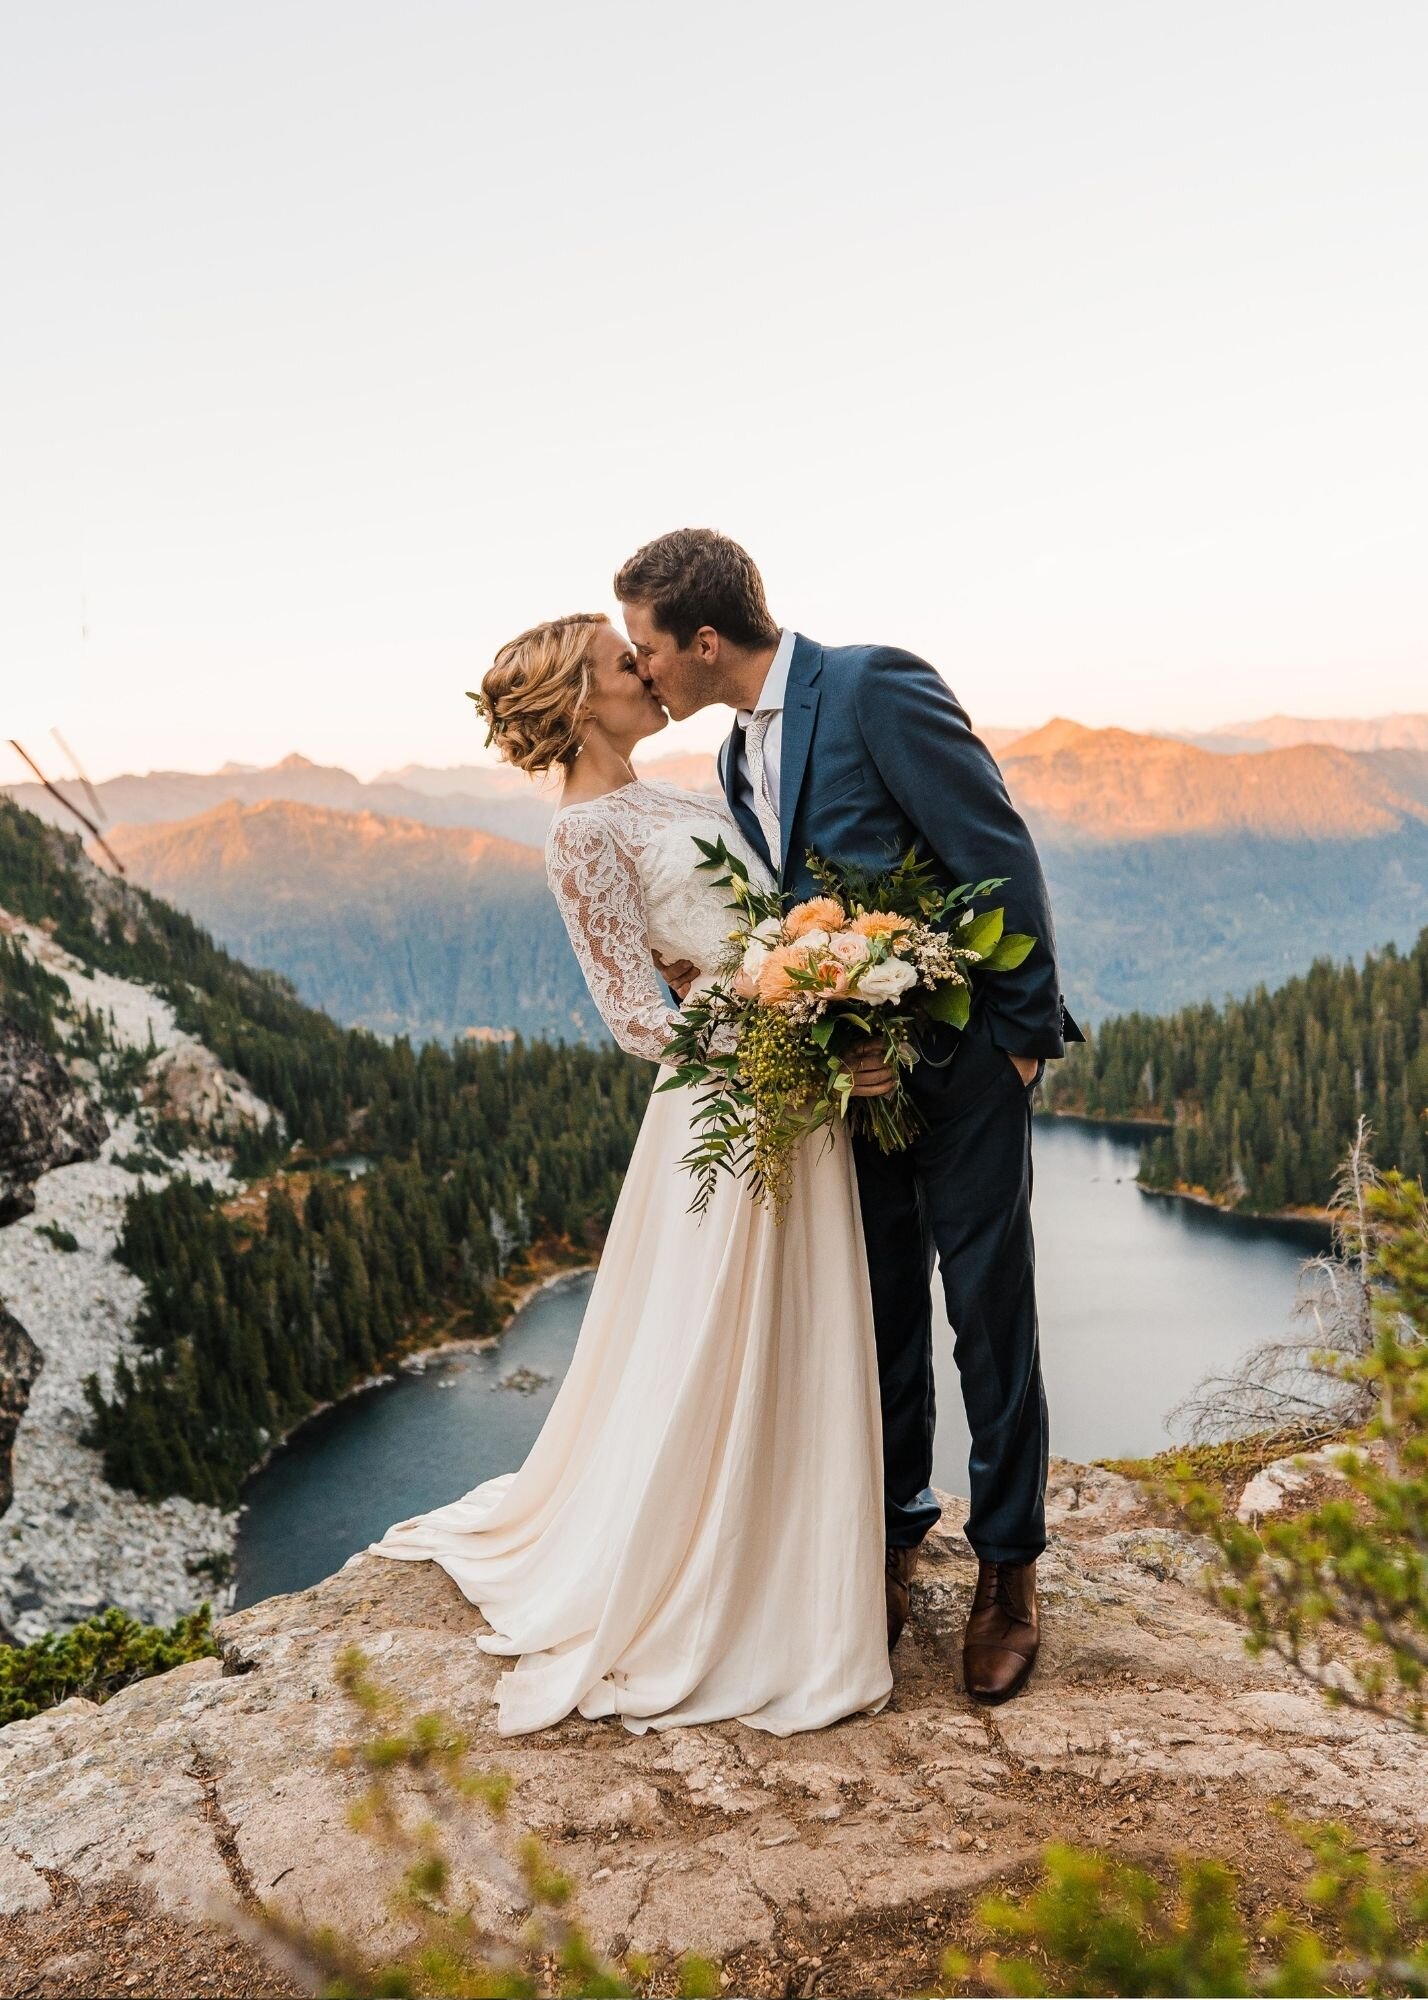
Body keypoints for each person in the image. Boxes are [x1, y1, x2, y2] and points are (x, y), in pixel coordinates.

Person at [369, 611, 895, 1736]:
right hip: (730, 1096)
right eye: (624, 663)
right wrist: (778, 1025)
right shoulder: (579, 835)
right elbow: (631, 1018)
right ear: (579, 701)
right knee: (721, 1338)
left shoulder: (687, 787)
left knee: (800, 1329)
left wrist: (821, 981)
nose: (646, 671)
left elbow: (741, 921)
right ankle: (726, 1576)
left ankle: (805, 1552)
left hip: (791, 1087)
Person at [616, 529, 1081, 1705]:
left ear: (705, 639)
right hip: (852, 1091)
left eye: (649, 647)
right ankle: (889, 1538)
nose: (644, 671)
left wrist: (1019, 1041)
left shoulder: (872, 683)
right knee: (875, 1324)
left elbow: (993, 849)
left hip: (965, 1073)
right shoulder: (732, 757)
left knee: (989, 1318)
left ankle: (1010, 1572)